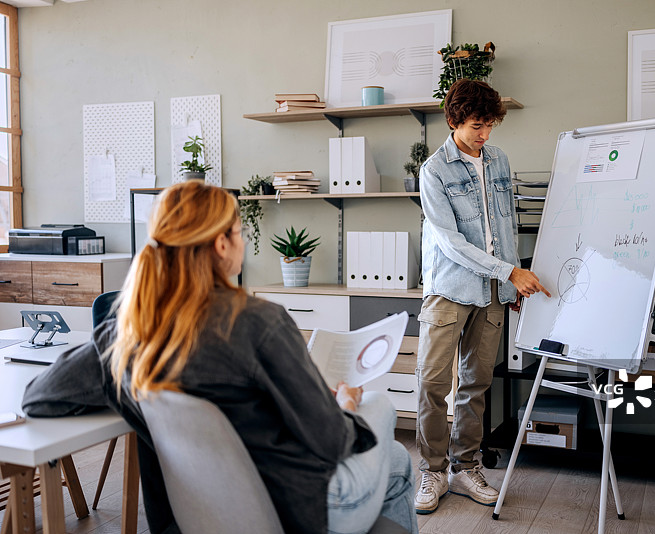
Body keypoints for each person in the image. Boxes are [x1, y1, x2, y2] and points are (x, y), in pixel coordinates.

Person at [22, 180, 418, 534]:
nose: (243, 242)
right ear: (221, 244)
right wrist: (346, 407)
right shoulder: (257, 322)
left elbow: (39, 397)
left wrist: (124, 399)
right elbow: (331, 441)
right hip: (300, 509)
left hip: (193, 512)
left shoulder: (124, 333)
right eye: (240, 232)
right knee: (380, 410)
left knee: (397, 459)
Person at [414, 79, 551, 514]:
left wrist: (508, 285)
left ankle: (465, 467)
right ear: (453, 121)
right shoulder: (434, 170)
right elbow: (451, 242)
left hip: (492, 291)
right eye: (477, 125)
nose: (485, 134)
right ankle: (432, 471)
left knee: (476, 383)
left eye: (490, 125)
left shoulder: (499, 161)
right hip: (449, 289)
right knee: (433, 383)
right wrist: (509, 271)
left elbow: (507, 226)